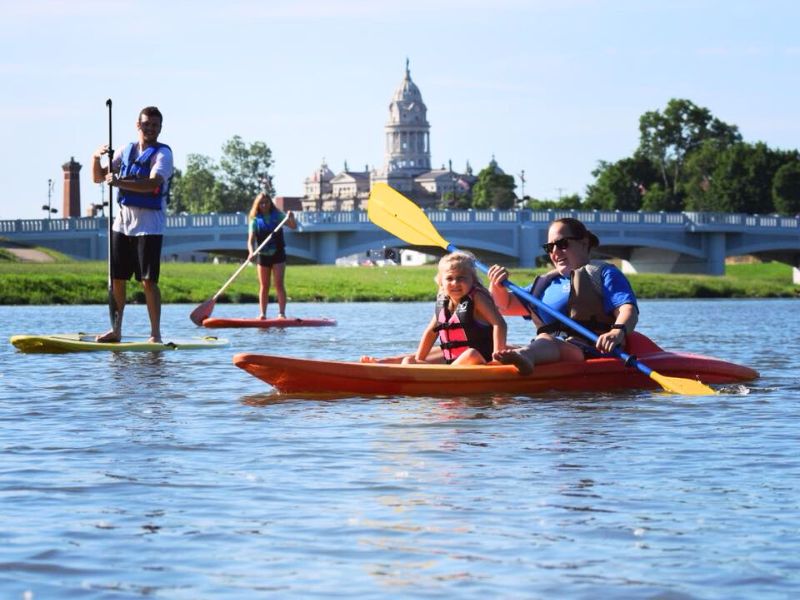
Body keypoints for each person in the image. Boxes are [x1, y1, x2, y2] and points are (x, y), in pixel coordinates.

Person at [489, 217, 638, 375]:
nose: (555, 252)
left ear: (584, 243)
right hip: (549, 348)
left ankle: (525, 355)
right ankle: (520, 356)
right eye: (549, 247)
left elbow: (628, 309)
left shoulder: (602, 274)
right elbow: (504, 306)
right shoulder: (545, 283)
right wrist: (497, 285)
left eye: (562, 244)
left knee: (548, 341)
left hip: (590, 351)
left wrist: (617, 332)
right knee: (504, 348)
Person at [92, 106, 173, 343]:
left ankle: (155, 334)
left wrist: (119, 183)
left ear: (160, 128)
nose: (150, 128)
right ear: (138, 125)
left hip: (149, 224)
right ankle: (116, 330)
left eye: (155, 125)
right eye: (146, 124)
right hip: (122, 223)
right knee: (117, 278)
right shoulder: (124, 151)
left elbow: (152, 184)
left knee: (148, 281)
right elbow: (99, 177)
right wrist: (95, 157)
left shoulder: (163, 154)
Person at [403, 251, 508, 365]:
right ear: (441, 282)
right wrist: (419, 361)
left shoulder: (477, 298)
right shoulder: (443, 301)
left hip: (479, 362)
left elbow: (499, 324)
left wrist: (497, 359)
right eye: (449, 278)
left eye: (461, 278)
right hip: (455, 364)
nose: (455, 283)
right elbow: (431, 332)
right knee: (409, 361)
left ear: (473, 280)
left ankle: (443, 377)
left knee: (471, 354)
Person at [247, 192, 297, 319]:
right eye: (261, 203)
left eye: (266, 202)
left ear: (270, 203)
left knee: (279, 284)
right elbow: (250, 240)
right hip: (263, 255)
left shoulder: (278, 216)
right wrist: (251, 252)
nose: (264, 205)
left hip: (278, 254)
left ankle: (281, 314)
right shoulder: (255, 220)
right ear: (257, 205)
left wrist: (291, 217)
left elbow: (293, 226)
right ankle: (262, 314)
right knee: (264, 286)